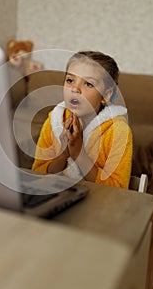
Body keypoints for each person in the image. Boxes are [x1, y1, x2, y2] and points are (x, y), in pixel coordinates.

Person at [32, 51, 132, 188]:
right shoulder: (53, 120)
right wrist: (64, 154)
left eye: (89, 84)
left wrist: (79, 153)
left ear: (106, 95)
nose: (75, 89)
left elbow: (117, 189)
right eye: (70, 80)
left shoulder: (118, 131)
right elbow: (39, 173)